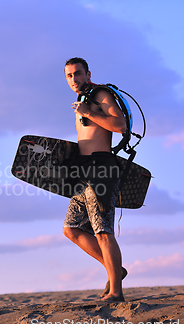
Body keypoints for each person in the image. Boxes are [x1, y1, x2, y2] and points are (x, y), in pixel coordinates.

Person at [63, 57, 127, 302]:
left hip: (102, 168)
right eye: (69, 76)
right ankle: (116, 272)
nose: (74, 79)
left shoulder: (100, 94)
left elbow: (119, 125)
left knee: (103, 231)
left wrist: (89, 112)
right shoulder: (82, 102)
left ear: (88, 74)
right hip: (85, 171)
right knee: (71, 228)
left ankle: (116, 293)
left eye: (78, 74)